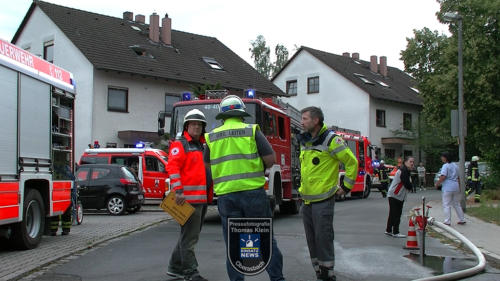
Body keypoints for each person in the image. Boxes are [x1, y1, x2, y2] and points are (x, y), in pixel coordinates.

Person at [204, 95, 285, 281]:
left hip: (226, 196)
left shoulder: (212, 137)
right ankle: (277, 278)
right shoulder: (251, 131)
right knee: (265, 240)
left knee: (234, 244)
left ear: (222, 117)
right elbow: (270, 160)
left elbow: (207, 167)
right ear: (241, 114)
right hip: (253, 195)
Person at [297, 106, 358, 281]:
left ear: (316, 121)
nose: (301, 122)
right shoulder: (306, 141)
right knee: (312, 241)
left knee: (323, 239)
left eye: (305, 119)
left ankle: (328, 275)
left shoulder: (332, 140)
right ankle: (319, 273)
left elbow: (351, 162)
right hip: (307, 201)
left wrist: (346, 187)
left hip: (323, 200)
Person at [166, 109, 210, 281]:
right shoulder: (181, 144)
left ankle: (175, 267)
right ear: (186, 126)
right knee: (189, 239)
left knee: (188, 237)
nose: (197, 127)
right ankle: (191, 273)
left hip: (200, 198)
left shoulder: (202, 145)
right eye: (193, 124)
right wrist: (178, 191)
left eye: (199, 124)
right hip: (187, 199)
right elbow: (173, 167)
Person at [385, 156, 415, 238]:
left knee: (393, 213)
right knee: (396, 213)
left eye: (413, 162)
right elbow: (407, 184)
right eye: (410, 162)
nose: (412, 163)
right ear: (405, 162)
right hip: (396, 195)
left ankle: (388, 230)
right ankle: (395, 231)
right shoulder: (404, 170)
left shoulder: (405, 170)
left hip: (395, 195)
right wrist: (411, 187)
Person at [435, 152, 465, 225]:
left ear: (445, 158)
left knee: (446, 204)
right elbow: (458, 177)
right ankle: (462, 219)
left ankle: (447, 221)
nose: (441, 158)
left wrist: (437, 183)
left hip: (448, 187)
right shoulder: (455, 166)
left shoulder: (445, 166)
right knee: (457, 204)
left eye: (442, 157)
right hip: (455, 186)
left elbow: (443, 176)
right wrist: (460, 187)